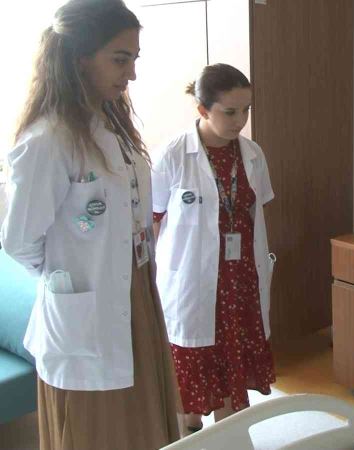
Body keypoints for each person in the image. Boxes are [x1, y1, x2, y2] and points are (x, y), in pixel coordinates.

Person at [0, 1, 180, 448]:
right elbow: (19, 242)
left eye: (134, 59)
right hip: (87, 306)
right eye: (120, 59)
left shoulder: (112, 122)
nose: (132, 74)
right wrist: (70, 274)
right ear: (80, 58)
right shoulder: (47, 140)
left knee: (142, 422)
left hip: (136, 291)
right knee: (97, 431)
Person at [151, 63, 276, 434]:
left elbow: (255, 214)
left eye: (246, 110)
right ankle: (187, 431)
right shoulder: (173, 155)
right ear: (203, 110)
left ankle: (228, 434)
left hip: (240, 279)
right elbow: (152, 220)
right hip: (191, 281)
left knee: (232, 358)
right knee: (192, 362)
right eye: (230, 111)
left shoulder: (252, 154)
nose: (241, 120)